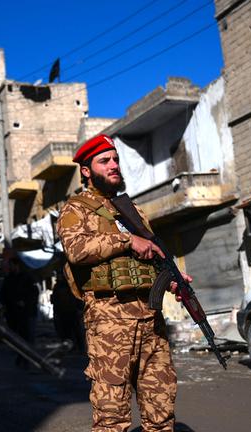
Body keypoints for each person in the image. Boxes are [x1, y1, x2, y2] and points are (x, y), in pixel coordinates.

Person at [56, 133, 188, 431]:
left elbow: (149, 257)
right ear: (87, 171)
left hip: (151, 322)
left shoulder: (133, 210)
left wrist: (171, 279)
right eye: (104, 161)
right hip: (110, 323)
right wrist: (127, 240)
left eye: (115, 159)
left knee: (162, 410)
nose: (114, 165)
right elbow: (77, 251)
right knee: (112, 416)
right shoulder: (75, 209)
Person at [0, 250, 38, 368]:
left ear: (16, 265)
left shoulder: (27, 278)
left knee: (27, 338)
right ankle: (21, 358)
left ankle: (28, 360)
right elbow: (3, 295)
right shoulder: (8, 279)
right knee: (17, 339)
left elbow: (33, 294)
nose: (9, 267)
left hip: (26, 314)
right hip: (13, 315)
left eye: (11, 265)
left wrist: (25, 303)